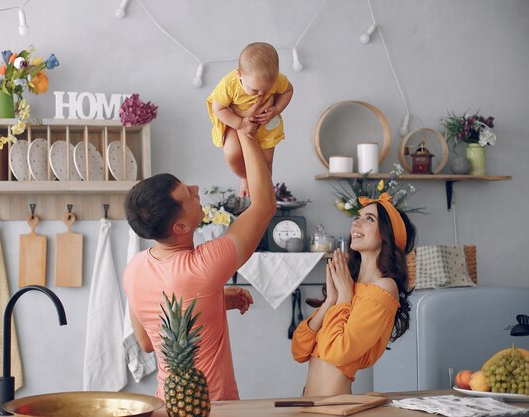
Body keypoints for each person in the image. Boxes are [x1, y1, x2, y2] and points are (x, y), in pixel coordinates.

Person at [122, 125, 276, 401]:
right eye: (188, 195)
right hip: (212, 407)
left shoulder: (134, 268)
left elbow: (147, 342)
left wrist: (213, 301)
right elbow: (264, 206)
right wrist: (245, 132)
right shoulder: (204, 265)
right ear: (180, 225)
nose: (196, 189)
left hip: (168, 403)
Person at [291, 192, 416, 396]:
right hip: (308, 405)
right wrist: (330, 301)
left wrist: (344, 298)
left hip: (337, 408)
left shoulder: (385, 287)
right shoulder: (348, 284)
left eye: (369, 218)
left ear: (388, 235)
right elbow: (299, 349)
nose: (356, 222)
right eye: (358, 216)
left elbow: (338, 351)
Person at [207, 41, 294, 197]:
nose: (261, 93)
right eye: (254, 89)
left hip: (266, 124)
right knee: (232, 154)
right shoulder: (229, 84)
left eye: (266, 89)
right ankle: (244, 177)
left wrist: (276, 109)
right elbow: (217, 108)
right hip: (236, 122)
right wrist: (240, 123)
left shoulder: (278, 79)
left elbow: (288, 91)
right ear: (239, 74)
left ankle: (263, 191)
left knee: (266, 163)